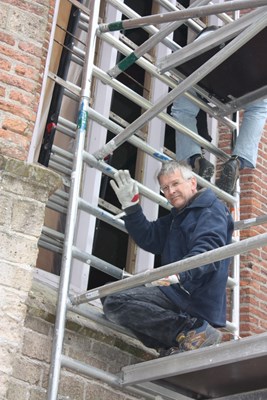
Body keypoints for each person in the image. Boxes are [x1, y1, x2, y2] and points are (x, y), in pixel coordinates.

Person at [101, 161, 234, 356]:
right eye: (165, 188)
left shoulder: (210, 209)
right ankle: (174, 343)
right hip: (176, 290)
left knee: (115, 301)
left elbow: (208, 250)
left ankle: (192, 330)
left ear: (192, 183)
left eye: (175, 184)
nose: (170, 192)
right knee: (109, 295)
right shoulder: (177, 217)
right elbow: (150, 238)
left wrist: (181, 274)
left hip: (192, 295)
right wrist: (131, 207)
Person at [171, 94, 267, 194]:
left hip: (208, 83)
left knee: (183, 108)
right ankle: (238, 161)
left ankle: (195, 159)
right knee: (258, 108)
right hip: (244, 86)